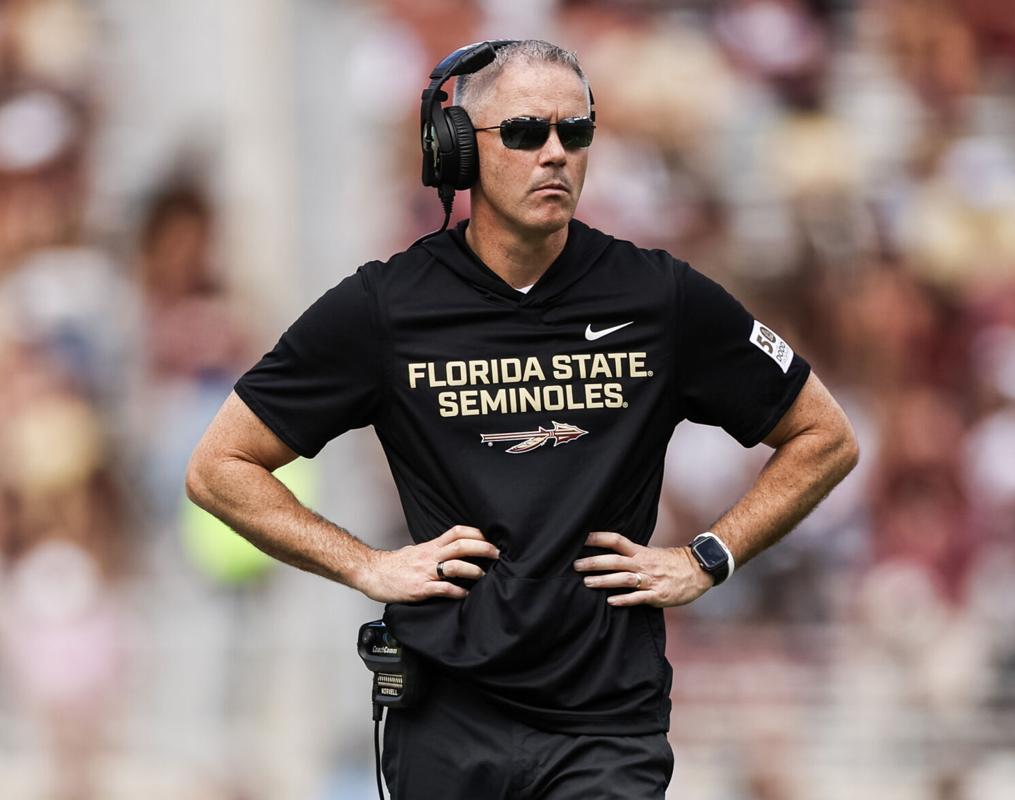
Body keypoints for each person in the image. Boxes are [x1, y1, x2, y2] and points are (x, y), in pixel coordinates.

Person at [186, 39, 858, 799]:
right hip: (444, 715)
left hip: (606, 723)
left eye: (575, 133)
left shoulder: (660, 298)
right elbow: (220, 467)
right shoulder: (386, 307)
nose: (555, 154)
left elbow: (823, 435)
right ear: (458, 150)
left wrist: (708, 556)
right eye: (525, 132)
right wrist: (363, 563)